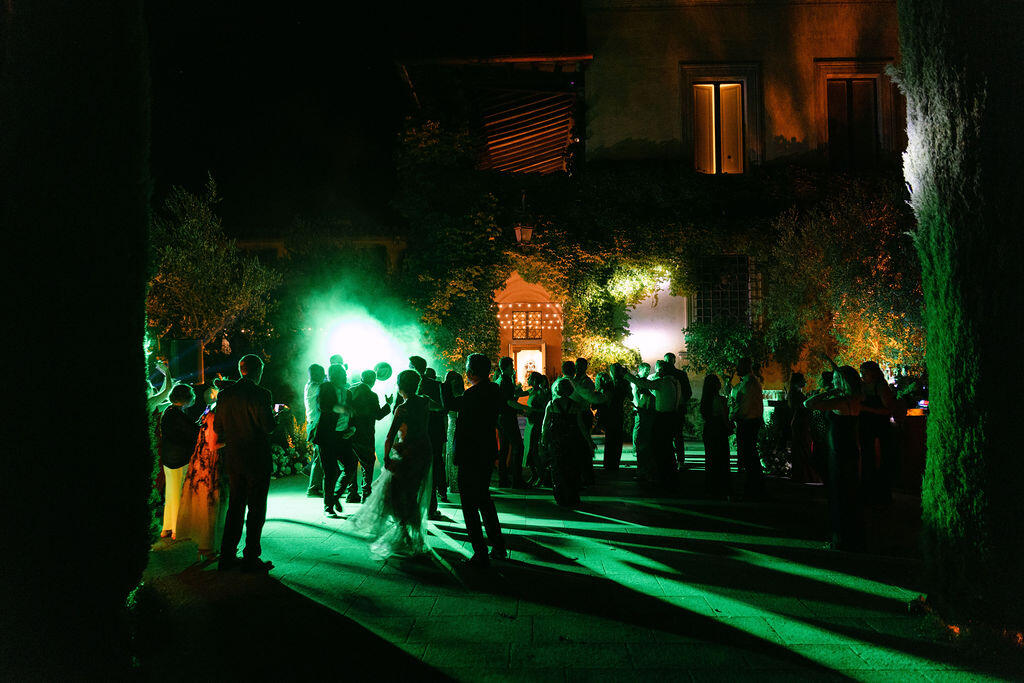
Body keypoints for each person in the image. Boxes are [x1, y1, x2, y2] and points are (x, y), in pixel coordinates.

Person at [344, 370, 434, 558]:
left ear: (400, 386)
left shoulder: (403, 408)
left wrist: (386, 458)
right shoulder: (425, 402)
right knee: (413, 493)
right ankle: (412, 536)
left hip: (406, 452)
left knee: (395, 494)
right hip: (423, 451)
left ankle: (404, 533)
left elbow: (390, 435)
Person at [442, 354, 506, 568]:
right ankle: (498, 546)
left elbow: (450, 404)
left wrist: (446, 384)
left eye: (468, 367)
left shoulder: (473, 394)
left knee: (469, 505)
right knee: (484, 500)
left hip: (470, 453)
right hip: (486, 451)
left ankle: (480, 552)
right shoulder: (494, 390)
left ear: (472, 372)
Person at [214, 355, 276, 572]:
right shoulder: (261, 394)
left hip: (234, 459)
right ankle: (250, 557)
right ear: (258, 371)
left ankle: (227, 556)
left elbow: (218, 428)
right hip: (257, 458)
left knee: (235, 507)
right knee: (256, 509)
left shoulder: (225, 395)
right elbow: (268, 426)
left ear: (241, 370)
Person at [806, 363, 864, 551]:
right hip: (849, 449)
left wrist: (830, 392)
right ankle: (851, 537)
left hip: (839, 451)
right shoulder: (855, 398)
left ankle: (840, 539)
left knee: (839, 493)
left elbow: (809, 404)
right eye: (834, 379)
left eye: (838, 378)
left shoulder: (842, 400)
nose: (834, 381)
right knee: (849, 493)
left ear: (846, 380)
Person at [177, 384, 228, 560]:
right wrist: (230, 441)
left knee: (205, 504)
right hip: (210, 466)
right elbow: (214, 444)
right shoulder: (213, 417)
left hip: (201, 463)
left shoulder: (206, 414)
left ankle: (206, 545)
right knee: (211, 505)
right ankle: (208, 546)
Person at [625, 360, 681, 490]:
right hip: (672, 416)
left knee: (658, 447)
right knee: (667, 447)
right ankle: (669, 473)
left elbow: (642, 383)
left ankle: (660, 475)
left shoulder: (662, 382)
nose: (656, 372)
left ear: (663, 371)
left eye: (659, 370)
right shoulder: (675, 382)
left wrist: (626, 375)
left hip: (661, 417)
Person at [315, 363, 356, 517]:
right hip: (327, 436)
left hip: (343, 436)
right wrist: (343, 408)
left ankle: (334, 498)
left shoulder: (348, 392)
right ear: (334, 375)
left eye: (345, 373)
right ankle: (328, 507)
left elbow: (352, 414)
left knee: (351, 466)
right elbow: (324, 406)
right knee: (331, 472)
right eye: (342, 373)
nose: (345, 376)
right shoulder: (325, 387)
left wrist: (352, 428)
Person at [409, 356, 449, 515]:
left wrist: (425, 404)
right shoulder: (406, 384)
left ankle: (431, 506)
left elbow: (443, 408)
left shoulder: (435, 385)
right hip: (416, 433)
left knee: (432, 467)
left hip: (432, 432)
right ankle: (419, 506)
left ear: (414, 367)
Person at [159, 384, 199, 539]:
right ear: (186, 399)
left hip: (168, 457)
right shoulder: (177, 415)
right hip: (179, 458)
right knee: (178, 494)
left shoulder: (169, 411)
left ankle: (167, 527)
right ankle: (177, 529)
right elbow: (192, 433)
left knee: (171, 493)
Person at [542, 377, 589, 506]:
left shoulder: (551, 404)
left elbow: (545, 424)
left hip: (556, 440)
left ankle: (560, 496)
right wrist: (589, 441)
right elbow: (581, 425)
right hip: (571, 439)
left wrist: (543, 438)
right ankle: (572, 495)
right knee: (572, 468)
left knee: (557, 468)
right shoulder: (575, 405)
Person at [348, 369, 393, 501]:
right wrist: (388, 404)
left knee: (350, 463)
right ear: (373, 381)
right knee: (367, 463)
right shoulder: (372, 395)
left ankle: (351, 493)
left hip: (349, 432)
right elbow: (378, 415)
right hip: (365, 434)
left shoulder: (350, 390)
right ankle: (365, 492)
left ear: (361, 378)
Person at [858, 361, 898, 504]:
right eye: (861, 372)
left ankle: (881, 494)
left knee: (881, 459)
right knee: (867, 459)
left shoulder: (881, 387)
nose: (862, 375)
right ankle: (869, 492)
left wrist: (867, 409)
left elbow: (889, 409)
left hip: (880, 427)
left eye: (864, 372)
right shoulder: (862, 386)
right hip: (867, 427)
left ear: (873, 373)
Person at [730, 357, 765, 500]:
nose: (737, 369)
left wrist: (733, 416)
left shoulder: (749, 383)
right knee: (749, 456)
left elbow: (745, 407)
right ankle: (753, 487)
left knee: (749, 457)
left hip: (748, 423)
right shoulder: (747, 382)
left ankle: (753, 488)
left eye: (739, 366)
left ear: (745, 367)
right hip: (749, 422)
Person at [508, 371, 550, 486]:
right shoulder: (531, 391)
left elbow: (544, 410)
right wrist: (513, 381)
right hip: (530, 423)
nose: (528, 379)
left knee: (533, 450)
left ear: (535, 380)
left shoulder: (541, 393)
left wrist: (532, 411)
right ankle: (535, 474)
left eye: (530, 378)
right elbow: (516, 394)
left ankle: (541, 476)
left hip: (536, 424)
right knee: (529, 450)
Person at [496, 356, 528, 488]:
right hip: (507, 418)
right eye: (511, 366)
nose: (513, 368)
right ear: (506, 367)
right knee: (518, 446)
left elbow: (512, 395)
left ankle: (503, 479)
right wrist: (526, 408)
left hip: (500, 418)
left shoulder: (500, 380)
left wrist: (526, 393)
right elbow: (509, 401)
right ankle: (517, 479)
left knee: (504, 449)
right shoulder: (505, 381)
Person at [700, 374, 732, 498]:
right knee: (722, 459)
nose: (720, 383)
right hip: (719, 430)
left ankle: (710, 487)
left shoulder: (705, 400)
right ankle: (722, 487)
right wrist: (729, 427)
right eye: (718, 381)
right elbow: (724, 417)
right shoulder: (720, 400)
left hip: (708, 429)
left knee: (710, 459)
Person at [596, 364, 630, 471]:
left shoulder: (610, 385)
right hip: (617, 414)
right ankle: (613, 464)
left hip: (612, 414)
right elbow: (630, 396)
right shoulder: (624, 384)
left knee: (611, 440)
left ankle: (609, 464)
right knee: (615, 440)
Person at [663, 352, 693, 470]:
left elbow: (688, 392)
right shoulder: (681, 374)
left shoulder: (663, 375)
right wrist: (681, 401)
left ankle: (671, 461)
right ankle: (680, 461)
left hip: (667, 409)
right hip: (678, 409)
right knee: (678, 435)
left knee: (669, 436)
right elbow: (688, 392)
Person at [787, 372, 816, 484]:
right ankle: (803, 475)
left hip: (799, 424)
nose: (805, 381)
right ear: (797, 382)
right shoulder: (796, 395)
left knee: (801, 449)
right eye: (803, 379)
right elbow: (801, 408)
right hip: (800, 424)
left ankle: (801, 474)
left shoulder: (795, 394)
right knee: (802, 448)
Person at [631, 363, 656, 483]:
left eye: (648, 370)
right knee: (638, 429)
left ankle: (643, 468)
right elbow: (635, 394)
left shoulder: (644, 382)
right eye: (645, 370)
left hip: (645, 410)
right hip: (641, 410)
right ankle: (636, 448)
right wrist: (637, 407)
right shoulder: (637, 382)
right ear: (640, 370)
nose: (647, 372)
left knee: (641, 432)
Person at [304, 364, 326, 497]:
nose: (324, 375)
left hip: (314, 423)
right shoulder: (316, 387)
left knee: (318, 455)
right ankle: (313, 488)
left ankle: (316, 486)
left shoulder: (309, 385)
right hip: (317, 424)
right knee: (319, 456)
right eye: (322, 373)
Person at [442, 371, 464, 494]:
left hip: (452, 427)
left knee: (451, 453)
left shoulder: (447, 396)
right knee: (457, 453)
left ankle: (453, 482)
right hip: (459, 427)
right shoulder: (462, 395)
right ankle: (457, 482)